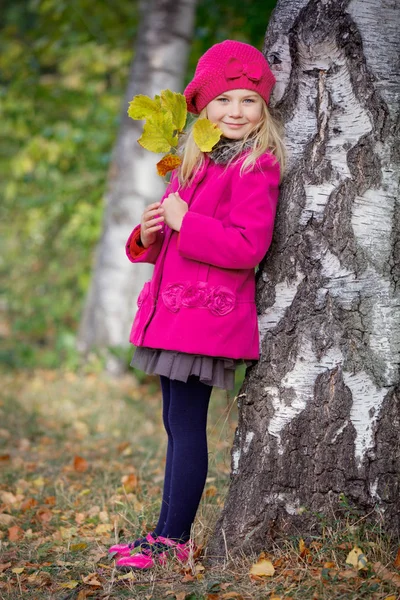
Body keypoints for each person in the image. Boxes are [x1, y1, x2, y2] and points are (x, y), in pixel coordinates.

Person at [109, 39, 285, 570]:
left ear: (265, 108)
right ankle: (164, 534)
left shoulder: (256, 167)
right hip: (171, 315)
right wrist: (147, 232)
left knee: (186, 428)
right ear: (203, 107)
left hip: (205, 318)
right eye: (224, 100)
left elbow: (247, 246)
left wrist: (189, 222)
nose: (236, 111)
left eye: (249, 101)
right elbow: (163, 248)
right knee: (174, 425)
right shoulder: (195, 161)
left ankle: (173, 541)